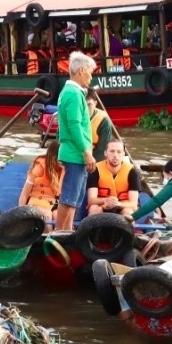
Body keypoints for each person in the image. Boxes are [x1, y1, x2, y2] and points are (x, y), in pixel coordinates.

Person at [55, 51, 97, 231]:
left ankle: (67, 230)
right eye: (90, 72)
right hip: (74, 153)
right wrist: (86, 152)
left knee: (74, 199)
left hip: (75, 153)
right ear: (81, 71)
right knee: (69, 198)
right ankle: (59, 232)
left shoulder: (73, 92)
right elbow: (73, 126)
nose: (91, 77)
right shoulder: (72, 93)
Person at [86, 139, 141, 217]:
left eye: (119, 152)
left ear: (123, 154)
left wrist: (117, 204)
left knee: (128, 212)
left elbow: (134, 205)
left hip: (122, 206)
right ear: (105, 153)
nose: (115, 155)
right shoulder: (95, 170)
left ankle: (125, 228)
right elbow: (91, 200)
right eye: (112, 151)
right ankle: (95, 228)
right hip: (102, 205)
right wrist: (106, 200)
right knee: (93, 208)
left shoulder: (132, 172)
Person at [17, 139, 63, 223]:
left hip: (55, 202)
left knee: (59, 218)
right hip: (38, 200)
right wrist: (21, 216)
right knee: (47, 216)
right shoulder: (39, 168)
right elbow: (24, 194)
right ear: (53, 157)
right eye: (61, 158)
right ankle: (46, 235)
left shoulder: (64, 169)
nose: (64, 161)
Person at [86, 88, 113, 162]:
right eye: (83, 105)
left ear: (95, 103)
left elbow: (101, 152)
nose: (85, 110)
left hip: (94, 158)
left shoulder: (104, 121)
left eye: (89, 105)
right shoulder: (71, 116)